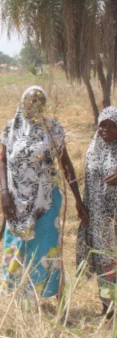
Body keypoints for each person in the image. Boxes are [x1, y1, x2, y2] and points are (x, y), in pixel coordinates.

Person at [0, 86, 88, 299]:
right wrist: (4, 193)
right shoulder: (11, 129)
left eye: (39, 102)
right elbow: (2, 161)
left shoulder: (53, 129)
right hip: (16, 201)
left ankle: (43, 293)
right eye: (30, 102)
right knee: (17, 245)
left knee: (46, 246)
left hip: (46, 201)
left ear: (44, 105)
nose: (34, 106)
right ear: (23, 103)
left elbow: (65, 164)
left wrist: (77, 199)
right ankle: (15, 293)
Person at [77, 106, 117, 319]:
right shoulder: (93, 149)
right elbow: (88, 183)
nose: (106, 130)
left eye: (112, 126)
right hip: (99, 218)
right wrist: (83, 207)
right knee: (104, 262)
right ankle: (107, 305)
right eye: (103, 125)